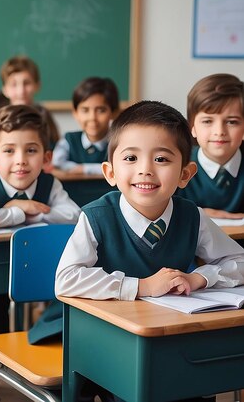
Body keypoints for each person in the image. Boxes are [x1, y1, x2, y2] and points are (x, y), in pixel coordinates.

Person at [55, 100, 244, 402]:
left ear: (186, 174)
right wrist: (141, 286)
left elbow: (239, 260)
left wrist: (201, 279)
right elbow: (66, 279)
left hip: (169, 337)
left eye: (161, 159)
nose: (145, 170)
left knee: (195, 383)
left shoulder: (192, 216)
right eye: (130, 158)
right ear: (110, 171)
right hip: (104, 339)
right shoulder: (96, 217)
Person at [0, 104, 80, 231]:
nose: (21, 160)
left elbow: (74, 215)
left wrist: (33, 214)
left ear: (46, 158)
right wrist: (19, 210)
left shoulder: (48, 182)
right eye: (9, 151)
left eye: (31, 150)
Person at [178, 73, 244, 219]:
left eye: (232, 122)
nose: (219, 132)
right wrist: (196, 214)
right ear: (192, 127)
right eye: (207, 121)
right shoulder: (176, 165)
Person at [52, 77, 120, 174]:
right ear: (75, 113)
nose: (92, 117)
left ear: (114, 112)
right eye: (85, 110)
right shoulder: (69, 140)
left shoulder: (118, 142)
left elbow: (120, 168)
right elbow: (57, 163)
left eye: (101, 110)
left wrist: (83, 169)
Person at [0, 55, 60, 147]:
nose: (21, 91)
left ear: (37, 85)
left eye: (26, 83)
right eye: (14, 84)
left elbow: (54, 148)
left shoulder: (44, 116)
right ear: (5, 90)